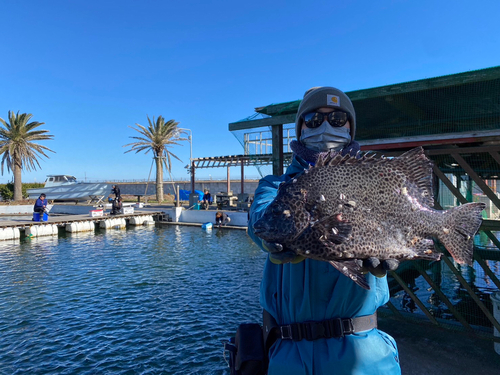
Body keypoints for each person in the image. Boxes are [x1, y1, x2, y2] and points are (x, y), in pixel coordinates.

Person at [247, 87, 401, 374]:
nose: (327, 126)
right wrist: (272, 237)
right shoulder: (275, 186)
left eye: (338, 118)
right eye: (315, 119)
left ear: (350, 128)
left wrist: (396, 246)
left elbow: (395, 219)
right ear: (301, 127)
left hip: (363, 353)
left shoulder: (371, 182)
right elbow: (259, 222)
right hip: (288, 355)